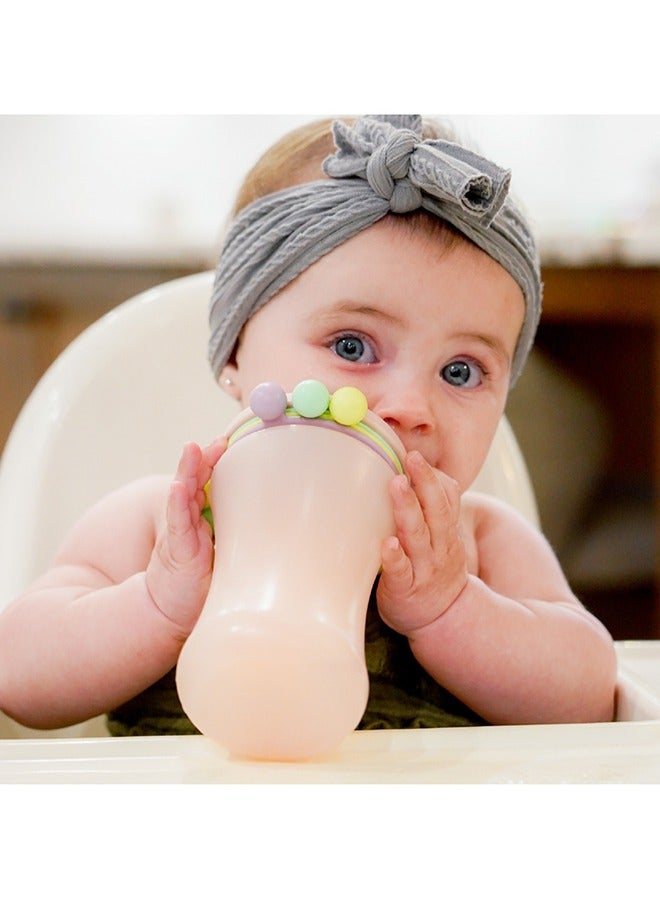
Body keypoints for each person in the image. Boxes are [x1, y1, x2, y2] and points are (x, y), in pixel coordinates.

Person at [0, 115, 617, 735]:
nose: (410, 406)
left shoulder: (483, 545)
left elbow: (592, 695)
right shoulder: (156, 525)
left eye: (460, 372)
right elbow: (19, 679)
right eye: (352, 346)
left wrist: (453, 608)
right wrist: (155, 606)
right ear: (236, 353)